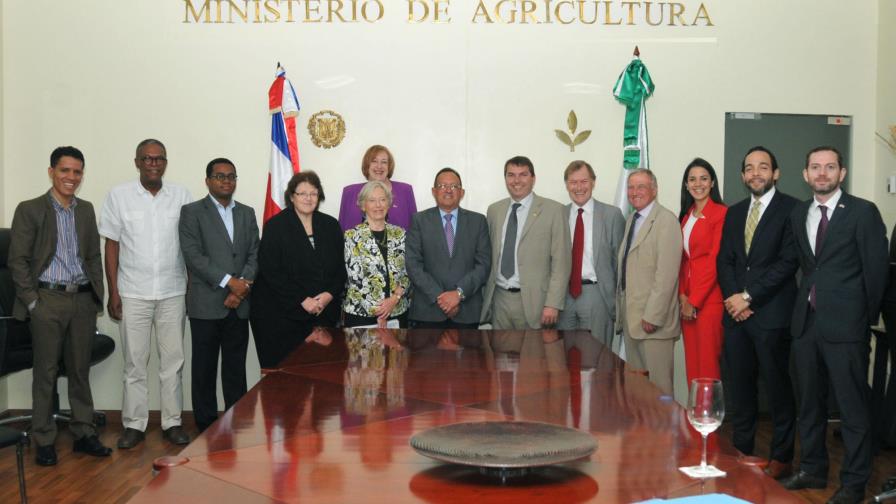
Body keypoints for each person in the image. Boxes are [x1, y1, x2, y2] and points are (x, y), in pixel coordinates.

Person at [780, 146, 889, 504]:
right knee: (809, 405)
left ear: (842, 173)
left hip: (847, 328)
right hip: (806, 325)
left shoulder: (862, 212)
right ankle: (812, 469)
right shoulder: (799, 212)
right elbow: (805, 266)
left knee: (852, 409)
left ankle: (854, 483)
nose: (822, 173)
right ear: (805, 174)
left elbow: (876, 272)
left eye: (829, 167)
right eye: (815, 167)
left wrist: (862, 319)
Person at [8, 146, 112, 465]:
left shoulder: (86, 210)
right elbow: (17, 261)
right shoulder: (30, 209)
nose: (71, 177)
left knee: (80, 369)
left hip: (81, 299)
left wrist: (95, 295)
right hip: (47, 300)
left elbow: (93, 256)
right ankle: (43, 438)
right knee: (46, 372)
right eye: (65, 170)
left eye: (77, 171)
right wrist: (33, 302)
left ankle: (83, 432)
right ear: (51, 172)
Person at [99, 139, 193, 448]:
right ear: (137, 162)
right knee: (134, 364)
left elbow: (190, 245)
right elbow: (111, 245)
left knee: (173, 362)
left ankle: (172, 422)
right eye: (147, 158)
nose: (154, 163)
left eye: (159, 158)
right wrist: (114, 292)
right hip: (133, 293)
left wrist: (191, 288)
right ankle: (134, 425)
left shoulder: (182, 196)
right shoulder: (119, 196)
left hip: (173, 291)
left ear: (165, 162)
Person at [716, 146, 799, 479]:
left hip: (771, 315)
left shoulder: (792, 209)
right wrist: (733, 299)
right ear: (742, 176)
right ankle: (742, 451)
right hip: (736, 317)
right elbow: (725, 260)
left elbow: (788, 262)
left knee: (778, 389)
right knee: (741, 388)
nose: (756, 173)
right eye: (749, 168)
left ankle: (782, 456)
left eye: (763, 167)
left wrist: (749, 297)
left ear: (775, 173)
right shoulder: (735, 212)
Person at [179, 158, 259, 432]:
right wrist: (229, 282)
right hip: (206, 304)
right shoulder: (191, 212)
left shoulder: (247, 213)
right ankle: (205, 426)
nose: (226, 181)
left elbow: (254, 253)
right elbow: (193, 256)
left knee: (235, 368)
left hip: (239, 304)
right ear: (208, 181)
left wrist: (241, 288)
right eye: (220, 176)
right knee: (204, 369)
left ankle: (235, 423)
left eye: (231, 176)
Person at [250, 171, 345, 368]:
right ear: (292, 197)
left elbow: (340, 268)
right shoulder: (275, 226)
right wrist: (302, 300)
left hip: (323, 313)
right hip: (282, 316)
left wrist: (328, 295)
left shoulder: (331, 225)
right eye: (302, 193)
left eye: (313, 193)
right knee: (286, 377)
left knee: (321, 374)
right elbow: (271, 271)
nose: (308, 198)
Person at [481, 156, 570, 330]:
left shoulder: (554, 210)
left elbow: (562, 262)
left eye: (523, 174)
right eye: (511, 175)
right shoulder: (494, 210)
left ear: (533, 178)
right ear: (505, 178)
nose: (517, 180)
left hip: (536, 302)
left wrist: (553, 304)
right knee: (500, 348)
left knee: (534, 349)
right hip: (499, 299)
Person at [615, 169, 682, 396]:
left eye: (641, 187)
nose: (635, 192)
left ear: (654, 190)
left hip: (654, 324)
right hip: (633, 321)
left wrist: (653, 315)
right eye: (631, 187)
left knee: (660, 392)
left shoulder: (666, 221)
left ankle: (664, 424)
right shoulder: (632, 220)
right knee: (640, 391)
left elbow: (667, 275)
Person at [405, 167, 490, 329]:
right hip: (428, 311)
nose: (448, 190)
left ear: (462, 192)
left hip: (467, 311)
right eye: (442, 186)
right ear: (434, 191)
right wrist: (441, 298)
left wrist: (458, 294)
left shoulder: (478, 221)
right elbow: (413, 264)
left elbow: (484, 265)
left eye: (454, 186)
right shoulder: (419, 220)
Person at [557, 160, 625, 350]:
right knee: (565, 356)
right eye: (573, 182)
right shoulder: (559, 214)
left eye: (584, 181)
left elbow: (620, 263)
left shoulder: (611, 215)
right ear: (566, 185)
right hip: (564, 298)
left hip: (597, 295)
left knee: (597, 357)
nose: (579, 187)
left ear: (593, 182)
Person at [677, 158, 727, 383]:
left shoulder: (721, 213)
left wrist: (694, 301)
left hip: (709, 301)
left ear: (712, 183)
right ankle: (693, 408)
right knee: (692, 365)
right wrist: (682, 295)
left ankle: (709, 408)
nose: (698, 184)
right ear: (686, 184)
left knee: (708, 366)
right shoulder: (686, 216)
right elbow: (682, 261)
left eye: (704, 179)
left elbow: (715, 261)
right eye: (692, 179)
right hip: (687, 301)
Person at [343, 181, 410, 328]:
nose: (378, 205)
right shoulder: (352, 236)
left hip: (398, 311)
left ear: (389, 203)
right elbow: (356, 280)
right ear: (363, 205)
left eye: (382, 199)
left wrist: (395, 299)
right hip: (362, 315)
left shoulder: (401, 234)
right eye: (372, 200)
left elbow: (409, 272)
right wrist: (380, 311)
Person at [338, 145, 417, 231]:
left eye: (384, 162)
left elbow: (415, 229)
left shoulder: (405, 191)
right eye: (374, 161)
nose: (379, 166)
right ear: (367, 165)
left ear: (389, 166)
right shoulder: (349, 193)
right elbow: (341, 231)